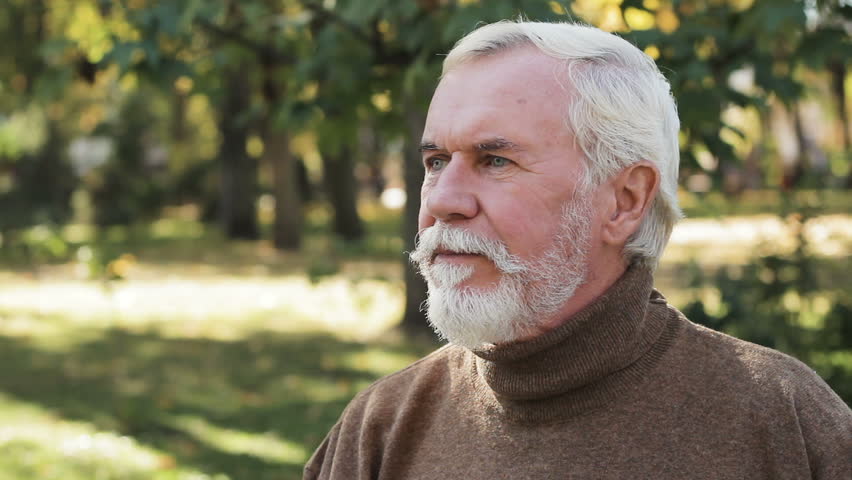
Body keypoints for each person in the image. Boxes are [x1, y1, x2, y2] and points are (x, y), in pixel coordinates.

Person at [304, 21, 851, 480]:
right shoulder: (381, 429)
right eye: (435, 162)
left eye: (496, 160)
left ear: (624, 200)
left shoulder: (783, 423)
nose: (443, 200)